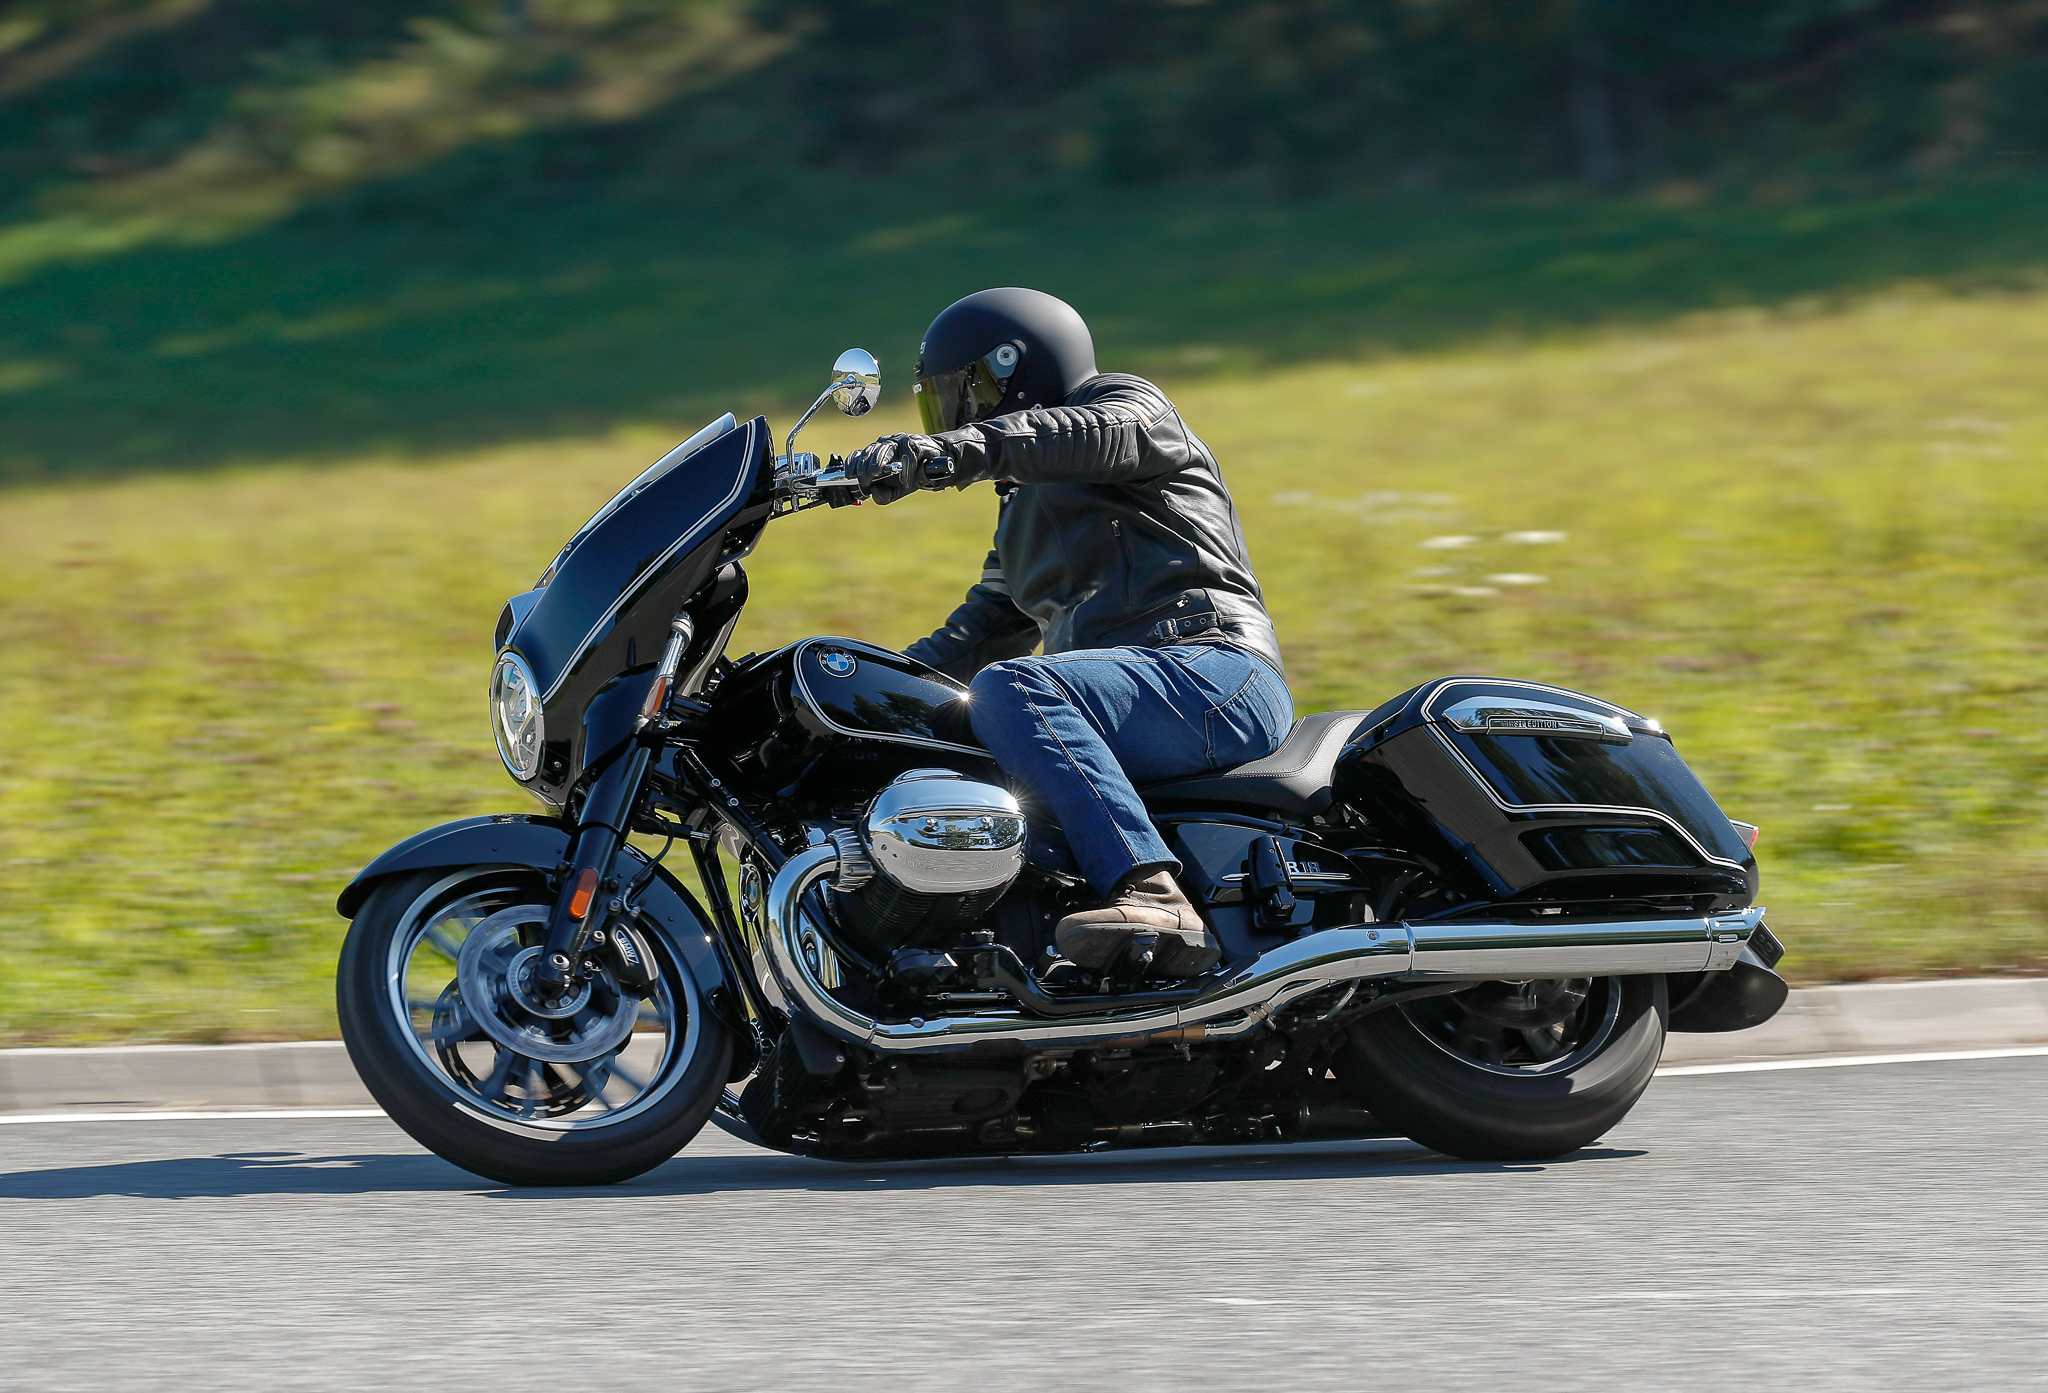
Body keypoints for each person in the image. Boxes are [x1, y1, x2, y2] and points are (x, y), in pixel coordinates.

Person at [846, 287, 1293, 979]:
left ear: (1014, 368)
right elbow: (972, 638)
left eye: (964, 395)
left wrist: (954, 451)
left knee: (1010, 689)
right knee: (946, 728)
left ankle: (1155, 895)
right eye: (943, 406)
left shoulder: (1132, 411)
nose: (958, 416)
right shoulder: (1020, 516)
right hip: (1120, 700)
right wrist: (860, 693)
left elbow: (1083, 434)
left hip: (1214, 671)